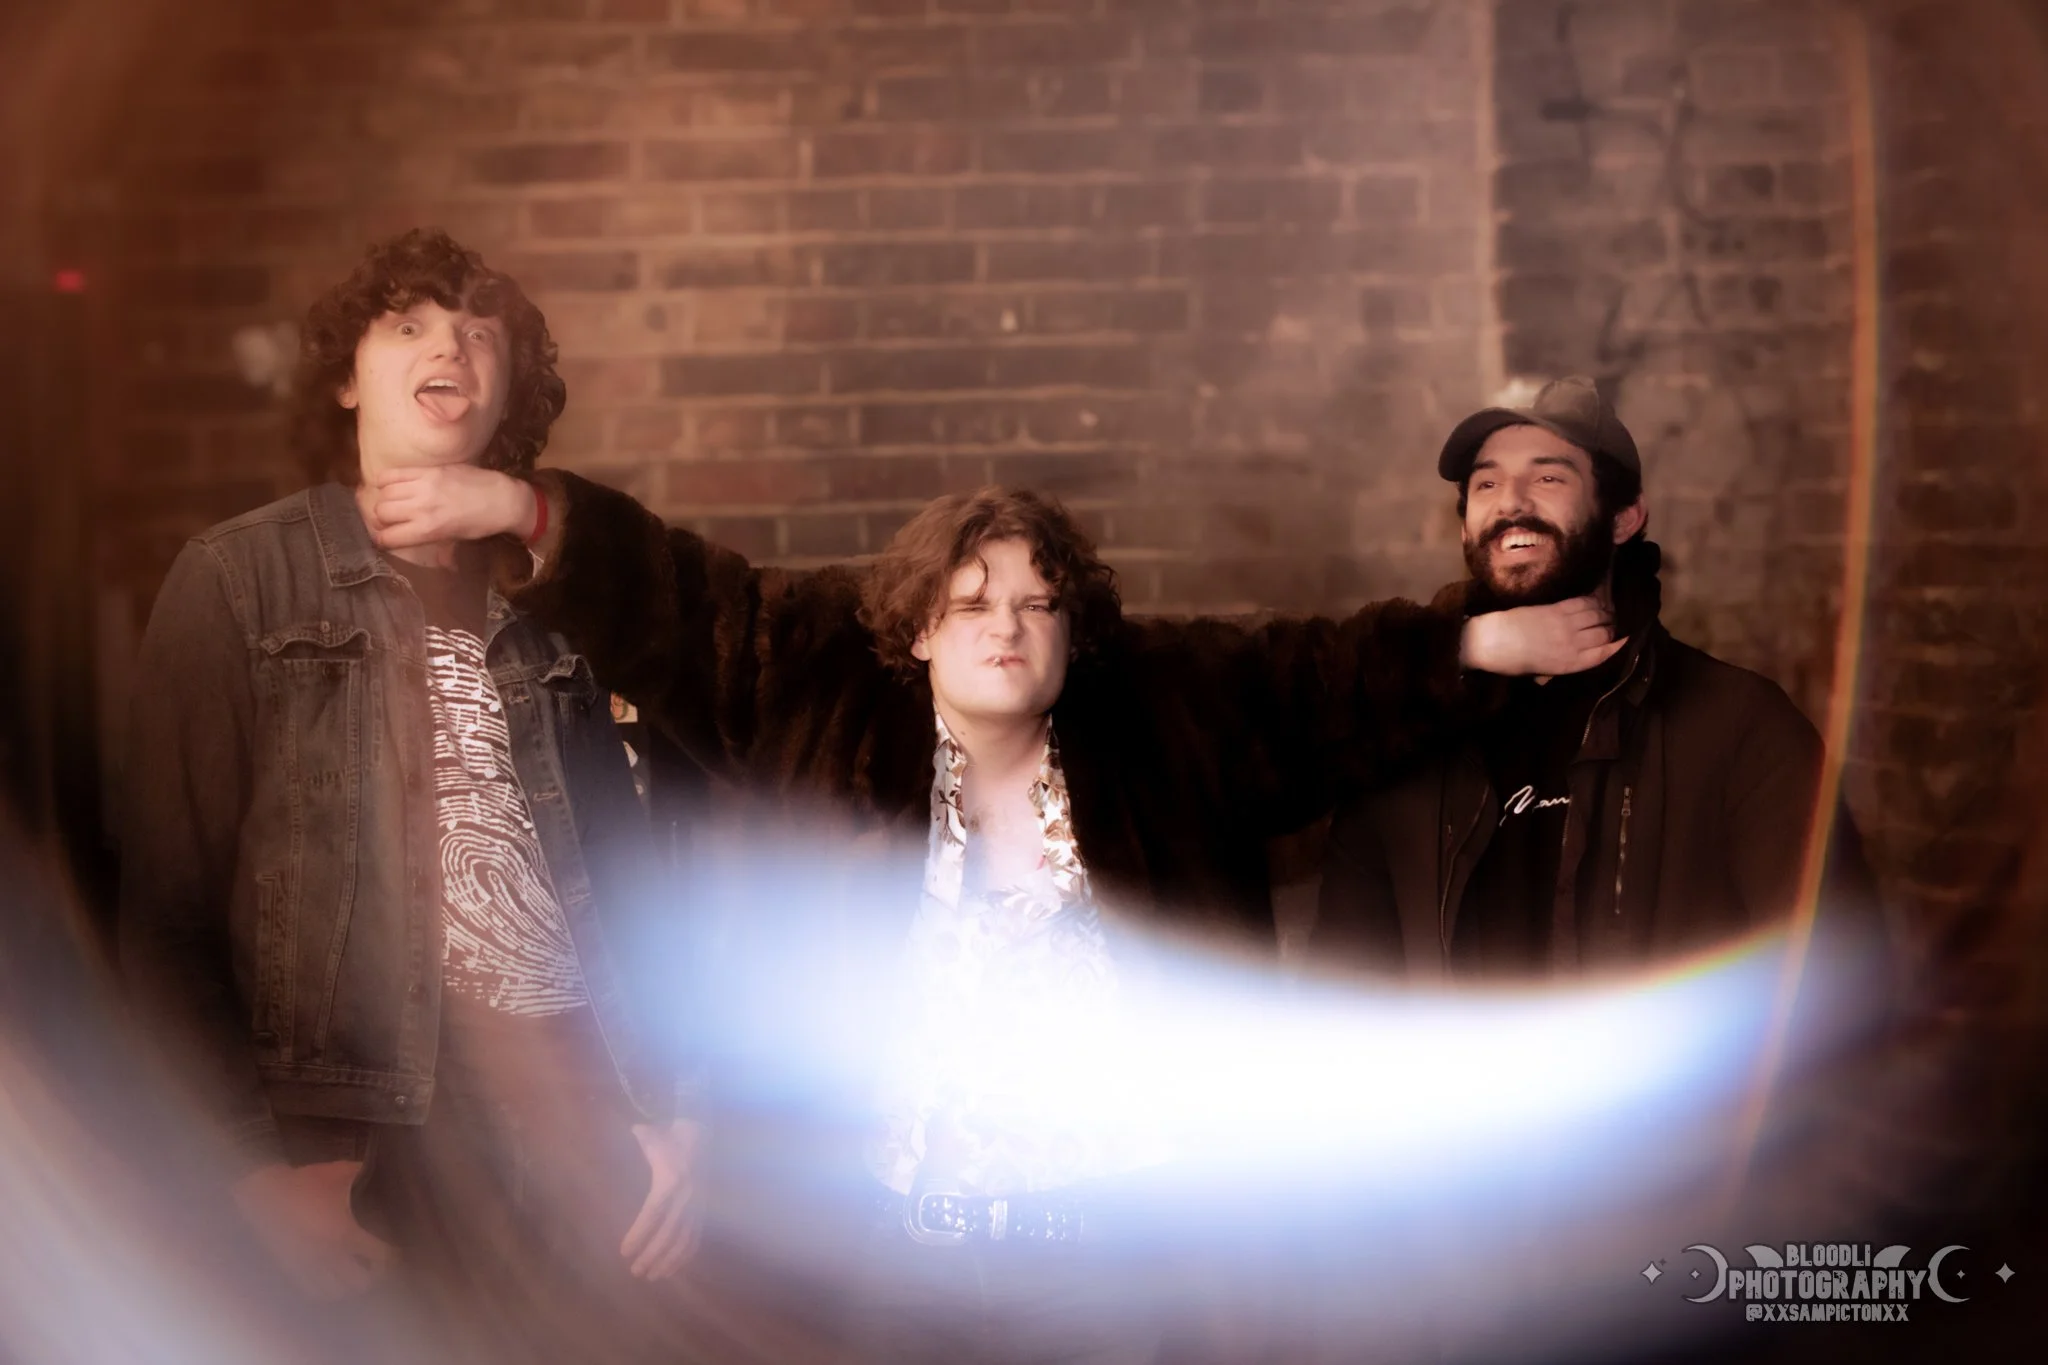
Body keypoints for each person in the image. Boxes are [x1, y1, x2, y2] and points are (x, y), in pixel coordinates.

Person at [357, 443, 1620, 1359]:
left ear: (1072, 630)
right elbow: (692, 604)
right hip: (890, 1256)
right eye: (968, 605)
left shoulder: (1164, 721)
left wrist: (1478, 643)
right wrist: (525, 508)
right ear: (912, 633)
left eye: (1033, 602)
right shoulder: (823, 703)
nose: (1003, 629)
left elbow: (1312, 678)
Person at [118, 229, 710, 1363]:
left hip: (577, 1134)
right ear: (347, 378)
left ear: (510, 399)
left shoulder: (560, 602)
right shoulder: (240, 579)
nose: (453, 342)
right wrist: (252, 1164)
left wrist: (671, 1110)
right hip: (368, 1144)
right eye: (412, 323)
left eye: (482, 330)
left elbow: (639, 889)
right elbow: (166, 908)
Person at [1313, 375, 1879, 979]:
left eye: (1549, 476)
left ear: (1624, 517)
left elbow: (1836, 980)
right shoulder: (1405, 740)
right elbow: (1342, 994)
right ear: (1464, 526)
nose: (1511, 502)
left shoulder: (1743, 729)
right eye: (1487, 483)